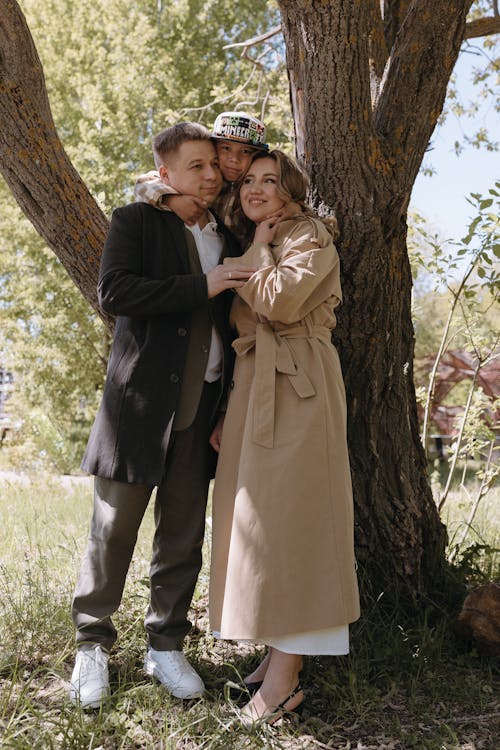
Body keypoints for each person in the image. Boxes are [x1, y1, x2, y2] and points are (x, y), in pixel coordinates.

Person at [69, 122, 255, 709]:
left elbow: (230, 332)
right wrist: (202, 284)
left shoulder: (227, 237)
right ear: (164, 173)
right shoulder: (135, 222)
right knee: (113, 531)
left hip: (203, 411)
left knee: (182, 532)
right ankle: (92, 644)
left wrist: (226, 409)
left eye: (212, 165)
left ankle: (165, 644)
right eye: (196, 165)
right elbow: (116, 293)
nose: (209, 174)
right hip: (138, 407)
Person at [208, 150, 360, 724]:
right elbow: (248, 325)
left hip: (300, 386)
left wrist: (255, 253)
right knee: (259, 525)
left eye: (271, 180)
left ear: (292, 190)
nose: (257, 189)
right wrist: (228, 411)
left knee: (296, 523)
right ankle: (274, 653)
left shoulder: (310, 235)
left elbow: (281, 299)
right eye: (248, 181)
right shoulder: (266, 240)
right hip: (254, 385)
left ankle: (286, 677)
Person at [134, 111, 269, 245]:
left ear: (257, 156)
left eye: (246, 151)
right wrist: (171, 199)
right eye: (226, 148)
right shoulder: (209, 182)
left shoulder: (258, 188)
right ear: (214, 148)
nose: (234, 159)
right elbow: (144, 183)